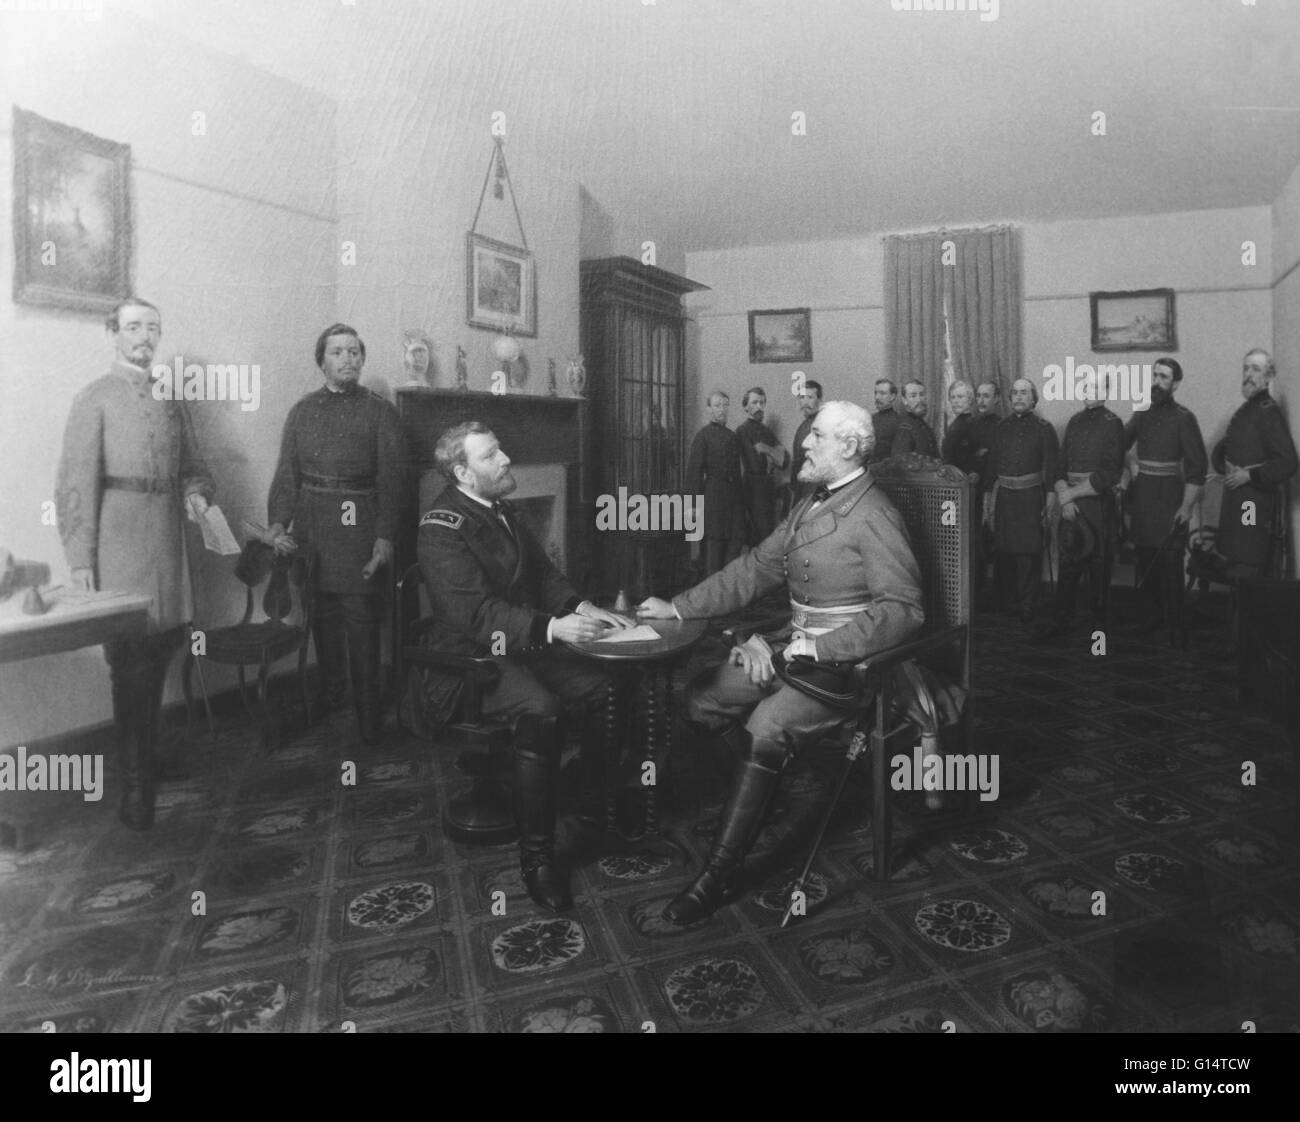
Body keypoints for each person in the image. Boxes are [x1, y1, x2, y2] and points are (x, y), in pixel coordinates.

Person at [638, 401, 923, 924]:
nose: (805, 445)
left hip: (847, 667)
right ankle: (760, 794)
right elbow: (754, 568)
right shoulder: (809, 503)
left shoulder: (875, 513)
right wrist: (679, 606)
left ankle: (718, 874)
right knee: (700, 697)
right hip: (789, 647)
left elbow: (903, 611)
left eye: (817, 437)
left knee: (765, 727)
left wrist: (819, 648)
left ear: (849, 447)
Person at [416, 422, 631, 911]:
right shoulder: (440, 528)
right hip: (467, 659)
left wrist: (579, 608)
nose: (506, 459)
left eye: (500, 449)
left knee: (602, 688)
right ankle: (537, 859)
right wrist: (553, 630)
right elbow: (475, 615)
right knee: (543, 708)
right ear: (462, 473)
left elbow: (543, 575)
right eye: (491, 455)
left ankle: (592, 812)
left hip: (519, 642)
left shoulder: (501, 509)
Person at [55, 298, 215, 830]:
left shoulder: (171, 400)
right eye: (133, 328)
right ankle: (134, 790)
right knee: (129, 667)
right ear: (113, 333)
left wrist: (195, 495)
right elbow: (74, 485)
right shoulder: (94, 398)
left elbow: (192, 466)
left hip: (168, 546)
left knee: (163, 652)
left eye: (153, 328)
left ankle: (146, 759)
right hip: (118, 548)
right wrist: (81, 560)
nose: (144, 337)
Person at [267, 323, 401, 746]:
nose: (348, 359)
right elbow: (287, 476)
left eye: (354, 352)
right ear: (321, 360)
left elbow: (393, 482)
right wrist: (277, 524)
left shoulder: (381, 412)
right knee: (321, 619)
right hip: (313, 531)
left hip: (359, 529)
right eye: (338, 352)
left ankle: (368, 715)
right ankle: (330, 694)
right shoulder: (302, 412)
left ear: (362, 358)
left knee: (361, 622)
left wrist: (384, 537)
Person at [1120, 357, 1206, 647]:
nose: (1157, 382)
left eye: (1164, 377)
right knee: (1145, 560)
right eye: (1154, 375)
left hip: (1170, 498)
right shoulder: (1142, 414)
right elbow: (1118, 443)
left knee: (1170, 562)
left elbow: (1197, 470)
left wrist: (1185, 507)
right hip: (1143, 499)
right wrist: (1130, 466)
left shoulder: (1185, 417)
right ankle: (1150, 618)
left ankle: (1176, 626)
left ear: (1176, 383)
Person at [1036, 372, 1125, 640]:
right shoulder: (1074, 421)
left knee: (1098, 568)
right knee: (1068, 564)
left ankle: (1099, 634)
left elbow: (1110, 474)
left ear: (1105, 391)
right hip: (1070, 505)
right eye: (1085, 386)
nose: (1088, 391)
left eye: (1095, 387)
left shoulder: (1113, 423)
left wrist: (1070, 495)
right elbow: (1060, 467)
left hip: (1097, 506)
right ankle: (1061, 624)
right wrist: (1064, 495)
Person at [1211, 348, 1297, 581]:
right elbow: (1230, 444)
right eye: (1246, 368)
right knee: (1236, 564)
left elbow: (1288, 462)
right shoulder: (1248, 408)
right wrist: (1223, 462)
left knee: (1247, 564)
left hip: (1251, 502)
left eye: (1256, 369)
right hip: (1238, 500)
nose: (1248, 374)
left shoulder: (1269, 412)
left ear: (1269, 377)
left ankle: (1245, 616)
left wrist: (1249, 476)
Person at [985, 378, 1059, 623]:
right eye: (1015, 393)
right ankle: (1009, 602)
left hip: (1030, 497)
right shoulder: (1001, 427)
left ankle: (1029, 604)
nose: (1018, 397)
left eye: (1024, 393)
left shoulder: (1044, 428)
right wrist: (987, 502)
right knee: (1004, 551)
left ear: (1033, 398)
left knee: (1028, 553)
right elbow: (991, 468)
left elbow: (1051, 468)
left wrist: (1049, 501)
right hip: (1004, 497)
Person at [687, 391, 747, 574]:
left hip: (733, 500)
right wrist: (693, 507)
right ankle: (711, 598)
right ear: (708, 409)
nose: (721, 409)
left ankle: (728, 598)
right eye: (717, 405)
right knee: (713, 551)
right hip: (713, 499)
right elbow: (694, 473)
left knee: (733, 548)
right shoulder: (703, 436)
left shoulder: (732, 436)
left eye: (725, 405)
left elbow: (737, 473)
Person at [735, 387, 788, 544]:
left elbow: (784, 462)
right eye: (754, 402)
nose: (759, 406)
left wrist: (766, 449)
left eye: (762, 403)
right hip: (753, 486)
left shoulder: (766, 431)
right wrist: (774, 454)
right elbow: (756, 463)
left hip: (768, 486)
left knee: (769, 531)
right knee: (759, 534)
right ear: (745, 407)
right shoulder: (742, 430)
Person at [789, 379, 824, 501]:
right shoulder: (804, 425)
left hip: (814, 488)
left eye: (810, 397)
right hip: (801, 487)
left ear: (819, 400)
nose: (805, 402)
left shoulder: (822, 424)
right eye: (802, 397)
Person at [891, 380, 939, 458]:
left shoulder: (924, 425)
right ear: (904, 400)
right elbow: (900, 464)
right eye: (913, 396)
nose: (919, 400)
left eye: (922, 395)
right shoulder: (905, 427)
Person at [941, 380, 981, 473]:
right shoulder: (955, 424)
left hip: (964, 477)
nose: (955, 401)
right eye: (953, 397)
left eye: (960, 397)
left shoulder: (974, 424)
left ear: (970, 399)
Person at [870, 379, 901, 461]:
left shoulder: (898, 422)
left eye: (882, 393)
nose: (877, 397)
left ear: (892, 397)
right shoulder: (870, 419)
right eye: (875, 393)